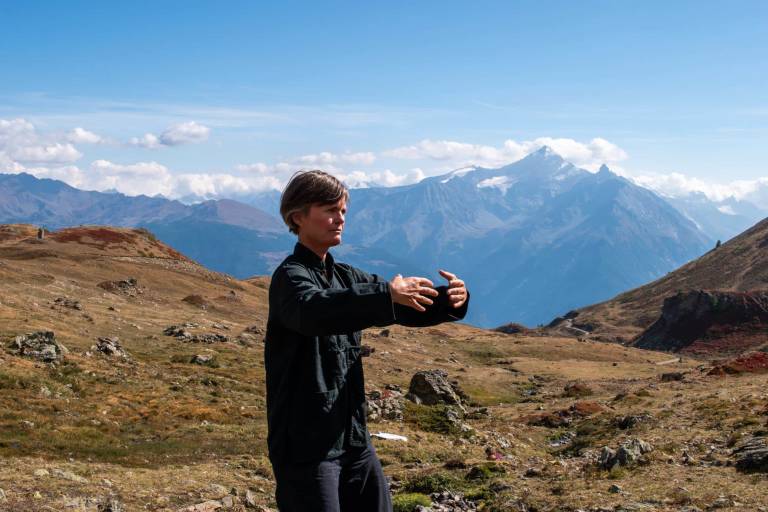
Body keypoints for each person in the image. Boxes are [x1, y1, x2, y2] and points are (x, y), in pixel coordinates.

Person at [265, 170, 470, 512]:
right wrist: (385, 295)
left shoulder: (346, 276)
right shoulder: (290, 278)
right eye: (329, 209)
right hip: (306, 446)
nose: (340, 218)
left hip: (353, 439)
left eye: (343, 210)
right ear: (297, 217)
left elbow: (403, 306)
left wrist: (450, 301)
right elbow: (313, 311)